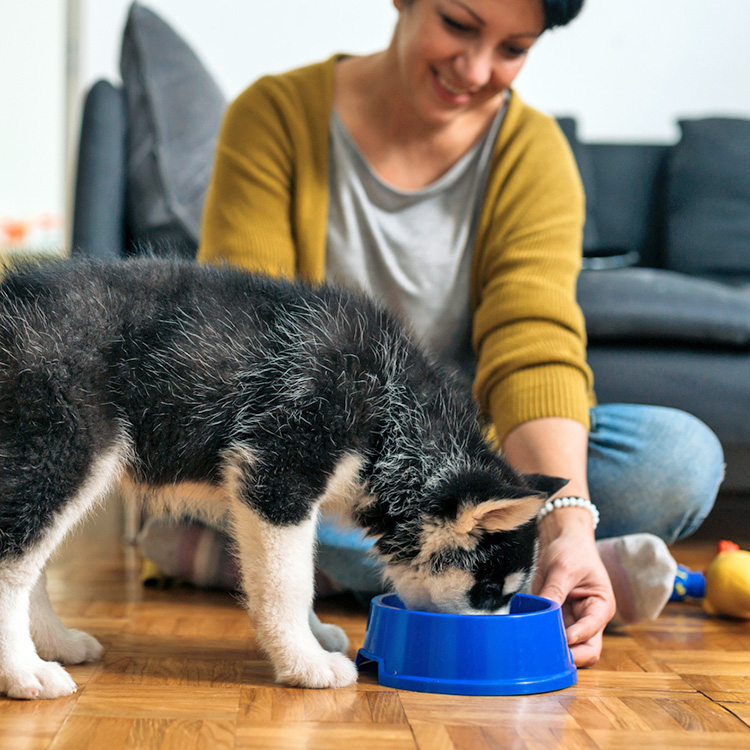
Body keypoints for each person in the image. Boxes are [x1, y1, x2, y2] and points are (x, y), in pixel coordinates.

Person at [196, 0, 724, 666]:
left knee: (678, 458)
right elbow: (247, 341)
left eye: (512, 48)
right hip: (315, 453)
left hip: (464, 483)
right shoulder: (274, 116)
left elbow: (533, 343)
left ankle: (286, 562)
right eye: (459, 24)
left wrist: (565, 518)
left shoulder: (531, 154)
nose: (475, 69)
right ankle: (489, 581)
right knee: (264, 481)